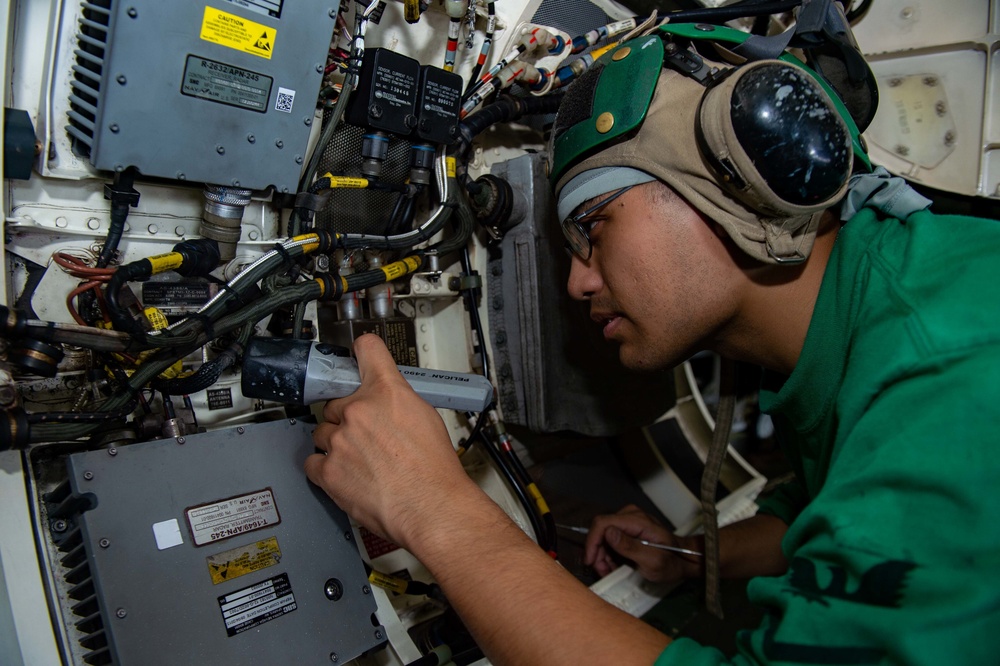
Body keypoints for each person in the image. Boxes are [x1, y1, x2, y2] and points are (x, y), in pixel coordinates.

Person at [305, 25, 1000, 666]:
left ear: (736, 179)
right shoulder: (877, 315)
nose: (577, 282)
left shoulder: (949, 372)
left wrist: (432, 509)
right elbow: (825, 523)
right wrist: (697, 555)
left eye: (593, 227)